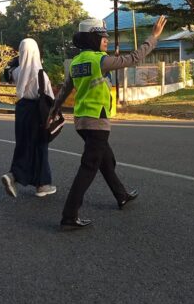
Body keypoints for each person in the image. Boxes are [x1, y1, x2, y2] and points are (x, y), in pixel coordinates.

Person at [51, 15, 167, 228]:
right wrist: (153, 37)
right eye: (101, 36)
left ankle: (121, 195)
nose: (106, 40)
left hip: (82, 122)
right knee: (89, 167)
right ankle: (69, 215)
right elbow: (133, 58)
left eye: (106, 36)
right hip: (97, 121)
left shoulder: (77, 62)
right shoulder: (99, 60)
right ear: (91, 39)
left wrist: (54, 109)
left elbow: (65, 89)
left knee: (106, 160)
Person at [1, 38, 57, 198]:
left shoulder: (17, 72)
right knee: (40, 146)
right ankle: (19, 177)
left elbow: (8, 73)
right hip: (36, 112)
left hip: (21, 110)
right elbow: (50, 97)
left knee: (24, 145)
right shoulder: (41, 73)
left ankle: (41, 184)